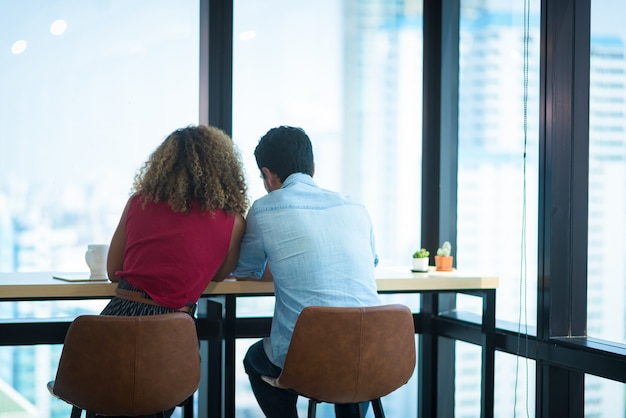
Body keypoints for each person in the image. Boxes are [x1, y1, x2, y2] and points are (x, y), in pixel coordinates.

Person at [233, 126, 381, 418]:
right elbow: (371, 261)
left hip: (307, 358)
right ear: (312, 167)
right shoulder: (355, 206)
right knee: (348, 359)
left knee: (254, 360)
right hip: (371, 353)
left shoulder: (265, 208)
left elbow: (245, 270)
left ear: (268, 174)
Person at [102, 124, 248, 317]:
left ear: (163, 166)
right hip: (173, 330)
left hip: (118, 320)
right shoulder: (233, 222)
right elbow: (218, 275)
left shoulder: (138, 203)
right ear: (223, 169)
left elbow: (113, 272)